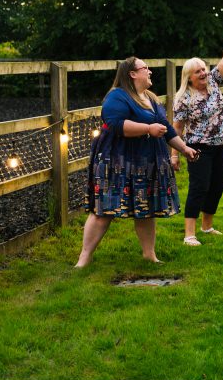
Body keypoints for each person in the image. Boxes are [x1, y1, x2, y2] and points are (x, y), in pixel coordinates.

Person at [75, 58, 198, 267]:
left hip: (146, 161)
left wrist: (184, 149)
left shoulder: (150, 97)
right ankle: (84, 258)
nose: (150, 71)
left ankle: (149, 255)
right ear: (132, 74)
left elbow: (166, 128)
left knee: (146, 208)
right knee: (104, 210)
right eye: (145, 68)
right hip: (117, 161)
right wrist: (148, 129)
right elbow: (116, 124)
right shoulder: (117, 96)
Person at [171, 25, 223, 245]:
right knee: (199, 187)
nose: (203, 73)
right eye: (198, 72)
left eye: (204, 69)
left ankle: (207, 226)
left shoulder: (213, 82)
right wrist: (175, 155)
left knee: (216, 185)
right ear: (189, 78)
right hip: (198, 148)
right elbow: (177, 129)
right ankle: (189, 234)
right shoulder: (184, 98)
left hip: (221, 144)